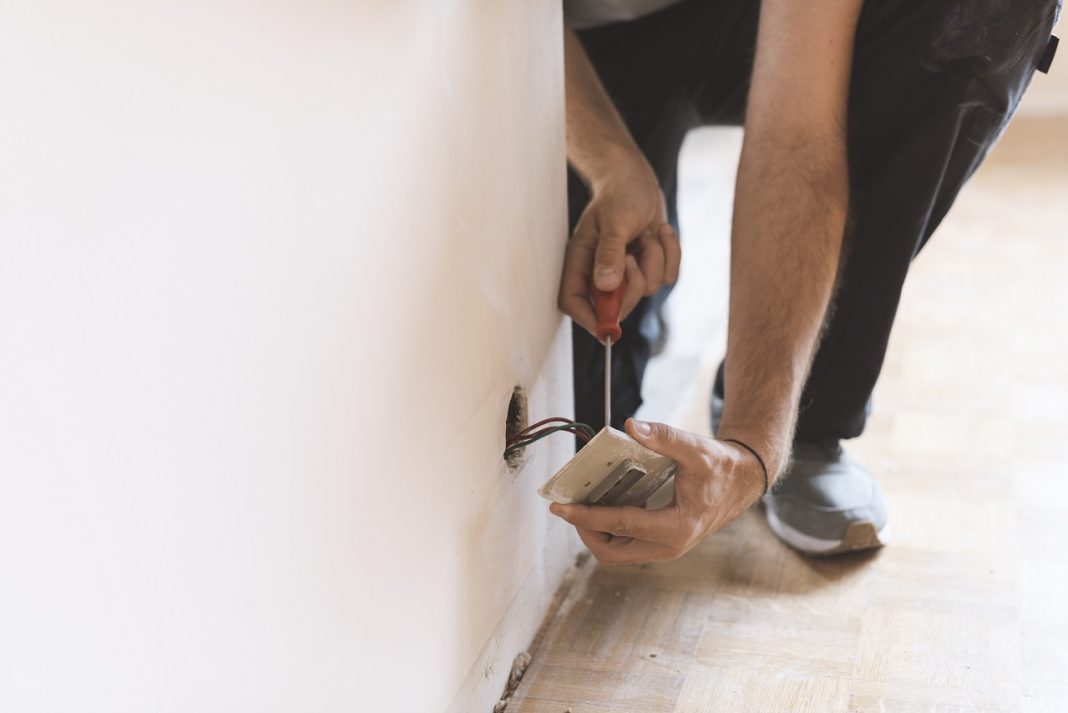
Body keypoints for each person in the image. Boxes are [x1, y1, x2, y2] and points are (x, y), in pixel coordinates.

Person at [549, 0, 1060, 561]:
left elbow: (795, 136)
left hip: (757, 25)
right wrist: (611, 166)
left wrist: (755, 445)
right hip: (567, 52)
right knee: (588, 431)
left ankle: (807, 418)